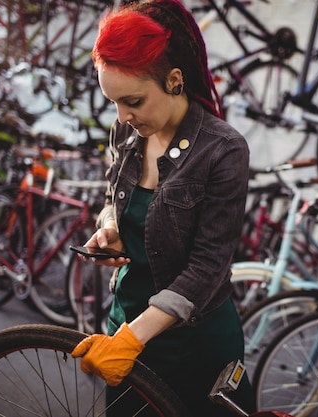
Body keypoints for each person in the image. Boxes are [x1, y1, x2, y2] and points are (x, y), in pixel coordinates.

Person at [70, 0, 256, 415]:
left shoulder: (223, 149)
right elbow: (111, 200)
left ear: (174, 80)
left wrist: (133, 338)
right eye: (114, 103)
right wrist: (110, 228)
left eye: (132, 101)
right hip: (126, 325)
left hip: (193, 342)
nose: (122, 116)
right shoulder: (125, 132)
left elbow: (208, 266)